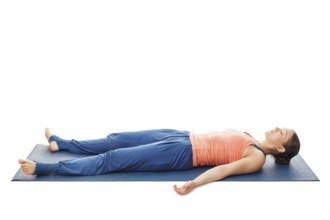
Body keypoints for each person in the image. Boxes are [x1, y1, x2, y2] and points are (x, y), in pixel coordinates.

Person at [19, 127, 300, 195]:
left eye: (282, 132)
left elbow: (223, 170)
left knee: (113, 158)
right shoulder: (251, 137)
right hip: (180, 135)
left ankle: (46, 168)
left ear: (279, 146)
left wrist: (193, 184)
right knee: (118, 139)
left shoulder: (255, 158)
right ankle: (62, 143)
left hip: (183, 154)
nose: (277, 127)